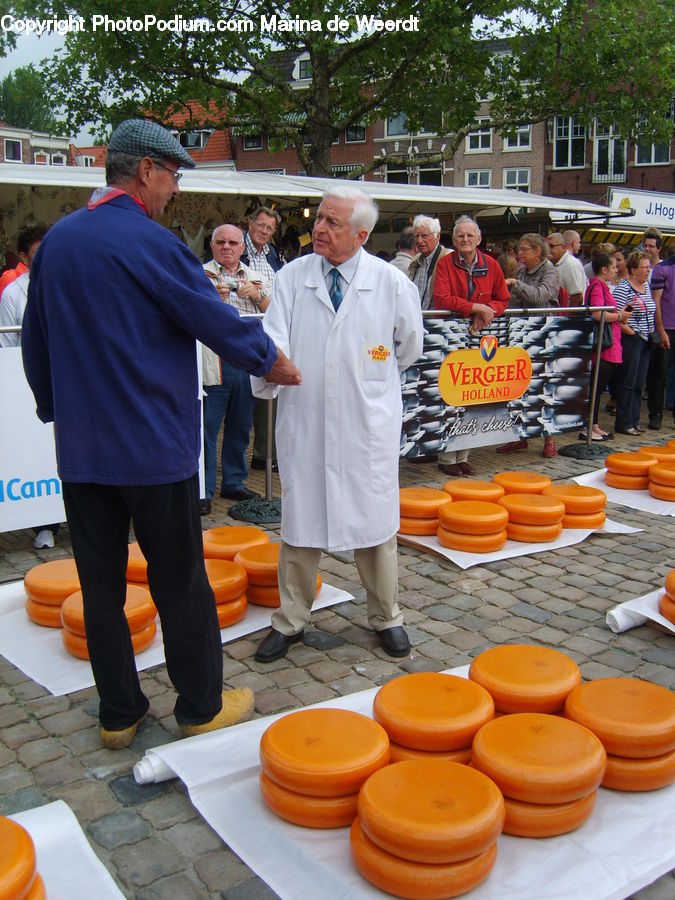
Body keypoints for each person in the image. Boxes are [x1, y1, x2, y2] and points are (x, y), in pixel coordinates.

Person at [21, 118, 301, 750]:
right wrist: (272, 362)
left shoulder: (59, 241)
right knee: (180, 582)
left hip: (84, 452)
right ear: (145, 169)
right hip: (154, 450)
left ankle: (118, 712)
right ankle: (200, 705)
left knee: (100, 587)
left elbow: (36, 345)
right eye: (172, 175)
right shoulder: (151, 240)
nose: (174, 189)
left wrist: (53, 410)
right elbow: (211, 316)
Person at [252, 186, 423, 663]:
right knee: (301, 525)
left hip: (365, 424)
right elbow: (272, 341)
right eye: (319, 219)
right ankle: (290, 620)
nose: (319, 229)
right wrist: (274, 367)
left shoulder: (390, 283)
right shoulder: (292, 278)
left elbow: (408, 348)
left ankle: (387, 617)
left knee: (375, 527)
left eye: (332, 223)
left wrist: (366, 375)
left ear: (361, 234)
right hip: (305, 420)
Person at [432, 215, 509, 476]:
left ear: (479, 239)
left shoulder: (492, 264)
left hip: (481, 336)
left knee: (475, 396)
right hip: (451, 336)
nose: (465, 240)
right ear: (453, 240)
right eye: (460, 236)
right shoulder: (445, 264)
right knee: (451, 395)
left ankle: (463, 453)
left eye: (469, 235)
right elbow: (442, 299)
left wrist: (488, 312)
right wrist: (477, 307)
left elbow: (502, 298)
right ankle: (446, 457)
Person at [201, 224, 270, 513]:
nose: (227, 247)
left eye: (232, 242)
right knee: (206, 429)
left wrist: (256, 296)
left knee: (241, 427)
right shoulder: (199, 275)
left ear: (243, 247)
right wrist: (210, 302)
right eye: (221, 242)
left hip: (246, 360)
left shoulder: (258, 277)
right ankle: (202, 490)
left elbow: (277, 313)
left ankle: (234, 482)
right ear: (212, 245)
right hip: (214, 361)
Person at [0, 224, 61, 550]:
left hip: (73, 381)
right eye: (38, 254)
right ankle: (45, 524)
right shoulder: (14, 292)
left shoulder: (70, 283)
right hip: (35, 381)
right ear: (24, 257)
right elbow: (8, 343)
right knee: (39, 453)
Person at [500, 232, 560, 458]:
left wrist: (516, 284)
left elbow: (540, 297)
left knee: (544, 385)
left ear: (538, 251)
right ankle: (518, 436)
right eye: (520, 249)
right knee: (518, 386)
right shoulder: (521, 271)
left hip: (544, 334)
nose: (520, 253)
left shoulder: (551, 272)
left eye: (525, 249)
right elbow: (513, 300)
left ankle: (549, 438)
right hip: (521, 332)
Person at [241, 206, 283, 472]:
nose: (265, 232)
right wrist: (261, 298)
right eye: (261, 226)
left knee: (270, 395)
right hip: (244, 332)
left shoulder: (273, 255)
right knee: (245, 401)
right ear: (250, 223)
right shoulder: (236, 250)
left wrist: (260, 297)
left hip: (268, 332)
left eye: (270, 229)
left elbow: (275, 298)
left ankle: (265, 453)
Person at [582, 251, 633, 440]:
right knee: (596, 387)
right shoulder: (597, 287)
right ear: (604, 269)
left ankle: (593, 425)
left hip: (609, 344)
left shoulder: (601, 286)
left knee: (598, 387)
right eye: (613, 267)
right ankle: (589, 425)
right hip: (603, 346)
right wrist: (620, 316)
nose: (616, 270)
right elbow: (597, 314)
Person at [612, 251, 655, 435]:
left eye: (648, 267)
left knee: (639, 382)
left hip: (646, 339)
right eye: (644, 267)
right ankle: (624, 422)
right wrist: (629, 330)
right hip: (632, 338)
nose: (648, 270)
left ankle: (634, 420)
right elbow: (618, 314)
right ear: (633, 270)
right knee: (627, 381)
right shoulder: (624, 288)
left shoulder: (647, 287)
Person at [642, 229, 667, 429]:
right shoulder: (643, 267)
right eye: (646, 245)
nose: (648, 249)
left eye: (652, 246)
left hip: (659, 324)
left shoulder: (661, 268)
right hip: (649, 326)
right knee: (654, 372)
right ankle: (654, 411)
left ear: (659, 248)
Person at [651, 247, 675, 428]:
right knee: (659, 375)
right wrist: (660, 329)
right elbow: (656, 301)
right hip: (666, 328)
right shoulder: (663, 268)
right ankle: (655, 414)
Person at [407, 215, 450, 309]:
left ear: (437, 236)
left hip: (439, 321)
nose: (419, 240)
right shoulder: (415, 261)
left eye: (424, 236)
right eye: (416, 236)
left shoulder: (449, 258)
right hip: (418, 320)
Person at [548, 233, 587, 307]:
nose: (548, 250)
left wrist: (567, 316)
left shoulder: (571, 264)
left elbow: (577, 297)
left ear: (563, 247)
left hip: (567, 316)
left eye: (551, 246)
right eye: (546, 247)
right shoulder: (553, 263)